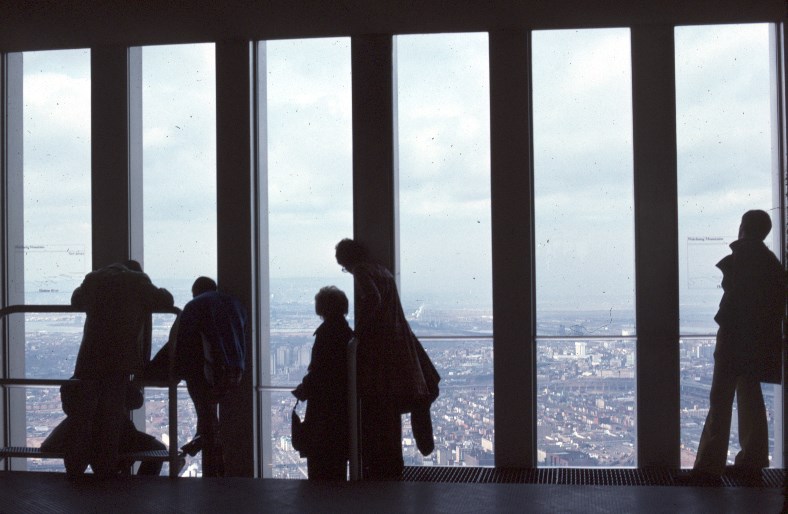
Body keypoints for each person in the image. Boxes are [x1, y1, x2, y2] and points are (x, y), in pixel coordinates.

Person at [689, 210, 786, 483]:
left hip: (734, 338)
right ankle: (751, 463)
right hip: (755, 341)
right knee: (750, 399)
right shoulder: (770, 262)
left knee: (720, 401)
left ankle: (708, 467)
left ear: (743, 227)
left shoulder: (743, 256)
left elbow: (733, 300)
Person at [335, 238, 440, 479]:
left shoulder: (362, 271)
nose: (347, 271)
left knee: (381, 406)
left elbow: (373, 299)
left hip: (383, 347)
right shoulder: (382, 269)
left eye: (344, 266)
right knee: (395, 405)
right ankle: (394, 463)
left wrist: (359, 332)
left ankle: (384, 466)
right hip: (401, 339)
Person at [67, 260, 174, 478]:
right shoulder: (137, 280)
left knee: (83, 417)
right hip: (118, 361)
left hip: (89, 359)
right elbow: (165, 300)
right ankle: (105, 471)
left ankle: (74, 469)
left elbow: (76, 300)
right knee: (111, 417)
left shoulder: (93, 278)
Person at [148, 276, 247, 477]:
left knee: (208, 422)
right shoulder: (235, 304)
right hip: (235, 372)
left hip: (207, 374)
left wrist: (158, 370)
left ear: (195, 292)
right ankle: (193, 453)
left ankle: (214, 474)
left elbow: (178, 344)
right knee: (209, 421)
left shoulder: (195, 306)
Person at [292, 286, 354, 480]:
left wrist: (304, 389)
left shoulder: (326, 333)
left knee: (320, 468)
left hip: (322, 411)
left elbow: (320, 371)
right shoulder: (347, 333)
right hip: (341, 409)